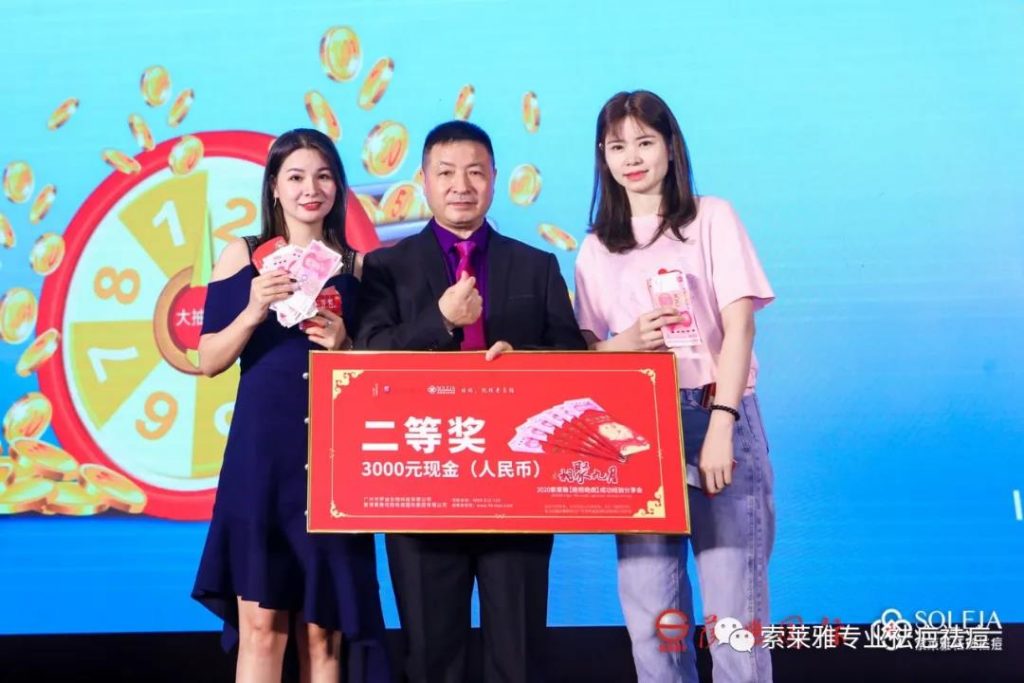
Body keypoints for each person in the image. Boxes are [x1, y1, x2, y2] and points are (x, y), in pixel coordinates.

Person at [356, 120, 586, 683]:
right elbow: (368, 357)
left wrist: (525, 360)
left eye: (475, 173)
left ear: (494, 180)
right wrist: (440, 320)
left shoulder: (536, 265)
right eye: (446, 173)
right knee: (432, 657)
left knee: (519, 656)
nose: (461, 186)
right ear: (424, 182)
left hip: (516, 488)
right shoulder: (386, 267)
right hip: (420, 486)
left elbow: (572, 364)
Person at [573, 91, 776, 682]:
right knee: (652, 621)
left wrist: (722, 425)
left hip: (715, 411)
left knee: (734, 618)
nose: (632, 158)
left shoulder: (711, 218)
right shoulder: (596, 246)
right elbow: (586, 354)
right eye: (617, 146)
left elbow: (740, 327)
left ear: (670, 147)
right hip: (637, 428)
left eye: (645, 142)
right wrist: (626, 342)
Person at [192, 128, 390, 683]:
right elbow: (208, 360)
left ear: (339, 188)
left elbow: (383, 379)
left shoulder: (359, 268)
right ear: (274, 187)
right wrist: (252, 309)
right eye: (296, 177)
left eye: (324, 177)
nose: (311, 189)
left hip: (333, 461)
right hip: (262, 458)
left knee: (323, 632)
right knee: (262, 628)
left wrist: (346, 347)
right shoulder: (242, 255)